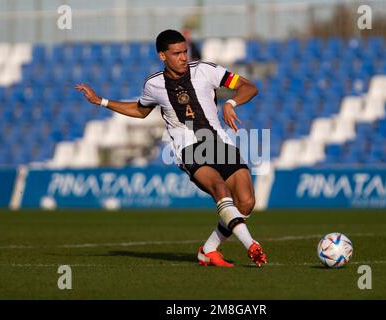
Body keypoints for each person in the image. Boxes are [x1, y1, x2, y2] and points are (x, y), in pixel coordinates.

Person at [75, 29, 267, 267]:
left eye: (185, 51)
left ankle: (208, 250)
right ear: (162, 56)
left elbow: (249, 86)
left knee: (247, 202)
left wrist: (230, 102)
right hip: (189, 147)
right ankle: (252, 246)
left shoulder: (206, 70)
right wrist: (101, 101)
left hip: (220, 142)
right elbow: (140, 110)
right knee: (220, 188)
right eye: (176, 53)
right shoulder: (154, 84)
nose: (183, 57)